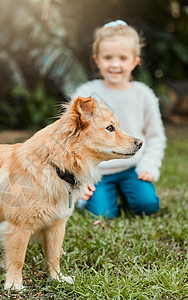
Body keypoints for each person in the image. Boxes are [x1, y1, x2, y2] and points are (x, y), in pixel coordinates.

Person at [74, 20, 166, 218]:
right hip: (97, 172)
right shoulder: (86, 95)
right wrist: (81, 179)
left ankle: (127, 190)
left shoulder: (144, 95)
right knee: (102, 214)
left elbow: (155, 136)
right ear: (97, 60)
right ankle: (95, 196)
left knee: (148, 205)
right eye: (108, 58)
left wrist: (149, 166)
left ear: (135, 61)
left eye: (123, 58)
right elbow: (75, 139)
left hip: (132, 168)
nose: (115, 65)